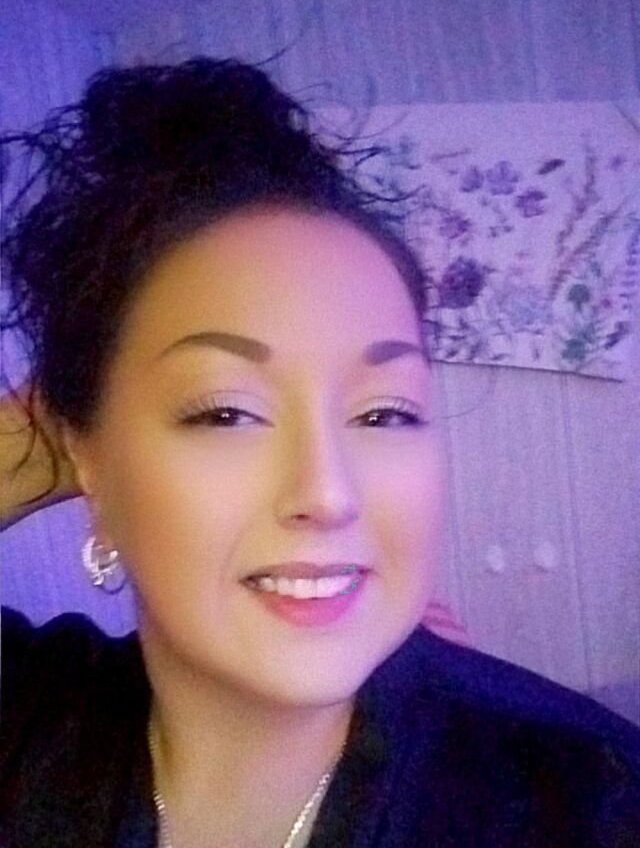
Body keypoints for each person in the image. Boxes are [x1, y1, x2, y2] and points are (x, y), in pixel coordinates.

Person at [0, 56, 639, 848]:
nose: (329, 493)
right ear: (85, 454)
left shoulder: (593, 801)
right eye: (227, 412)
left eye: (385, 412)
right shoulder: (30, 725)